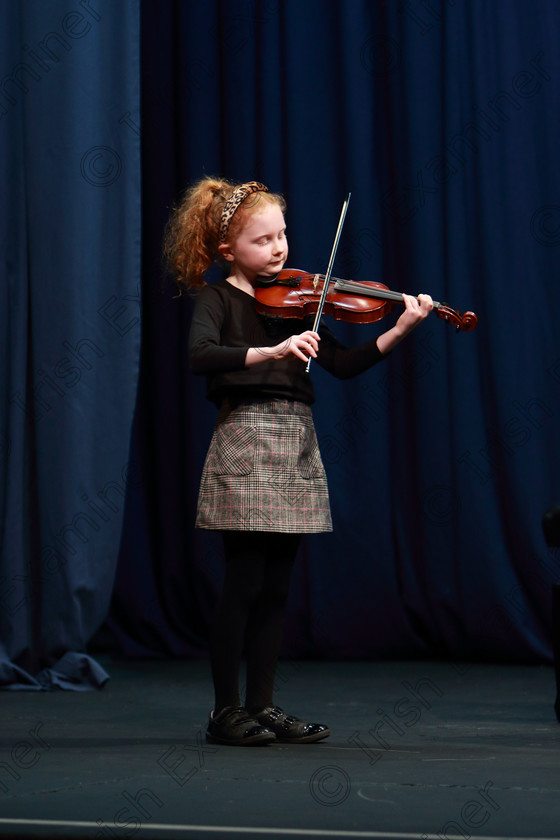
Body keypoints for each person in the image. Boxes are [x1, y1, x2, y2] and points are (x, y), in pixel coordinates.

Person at [163, 176, 433, 746]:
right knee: (243, 582)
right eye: (263, 241)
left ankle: (261, 705)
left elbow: (343, 364)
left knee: (279, 587)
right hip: (246, 436)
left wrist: (402, 325)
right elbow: (200, 356)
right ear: (227, 250)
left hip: (295, 440)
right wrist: (274, 349)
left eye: (282, 235)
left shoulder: (298, 300)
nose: (279, 249)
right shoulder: (218, 298)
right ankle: (224, 711)